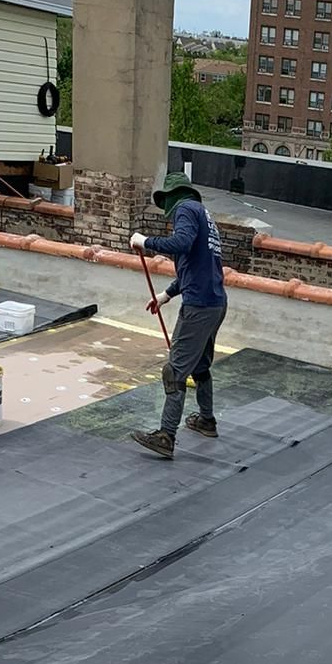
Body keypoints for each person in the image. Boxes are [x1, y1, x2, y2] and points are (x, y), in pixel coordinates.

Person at [128, 173, 228, 460]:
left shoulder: (185, 209)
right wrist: (167, 294)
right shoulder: (203, 215)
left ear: (172, 196)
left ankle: (166, 436)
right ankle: (206, 421)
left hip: (199, 307)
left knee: (174, 371)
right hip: (215, 303)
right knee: (200, 366)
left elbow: (181, 243)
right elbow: (196, 267)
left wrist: (146, 241)